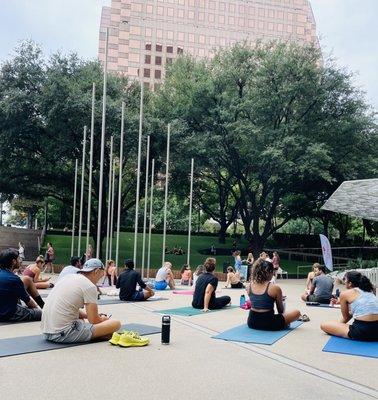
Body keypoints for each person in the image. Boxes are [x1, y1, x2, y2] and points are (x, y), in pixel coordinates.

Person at [41, 258, 121, 343]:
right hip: (63, 333)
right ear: (96, 271)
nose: (99, 280)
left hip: (47, 332)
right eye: (101, 276)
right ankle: (98, 334)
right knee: (116, 323)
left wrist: (87, 315)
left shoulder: (68, 277)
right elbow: (94, 321)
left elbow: (68, 307)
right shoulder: (89, 286)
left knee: (82, 321)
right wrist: (103, 319)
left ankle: (96, 334)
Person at [321, 271, 378, 341]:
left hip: (362, 331)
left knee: (324, 325)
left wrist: (338, 326)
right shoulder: (371, 290)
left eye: (345, 279)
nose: (344, 281)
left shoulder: (344, 294)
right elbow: (367, 308)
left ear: (350, 283)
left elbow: (346, 317)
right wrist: (342, 303)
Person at [247, 259, 300, 331]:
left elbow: (257, 302)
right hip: (269, 323)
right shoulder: (275, 288)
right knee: (297, 313)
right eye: (273, 272)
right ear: (269, 272)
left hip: (252, 322)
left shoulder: (249, 286)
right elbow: (280, 310)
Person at [0, 248, 43, 322]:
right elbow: (28, 302)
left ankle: (43, 305)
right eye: (18, 258)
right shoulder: (14, 279)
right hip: (8, 314)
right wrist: (36, 310)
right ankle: (44, 309)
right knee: (41, 314)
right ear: (13, 261)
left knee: (27, 279)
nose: (20, 261)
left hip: (4, 305)